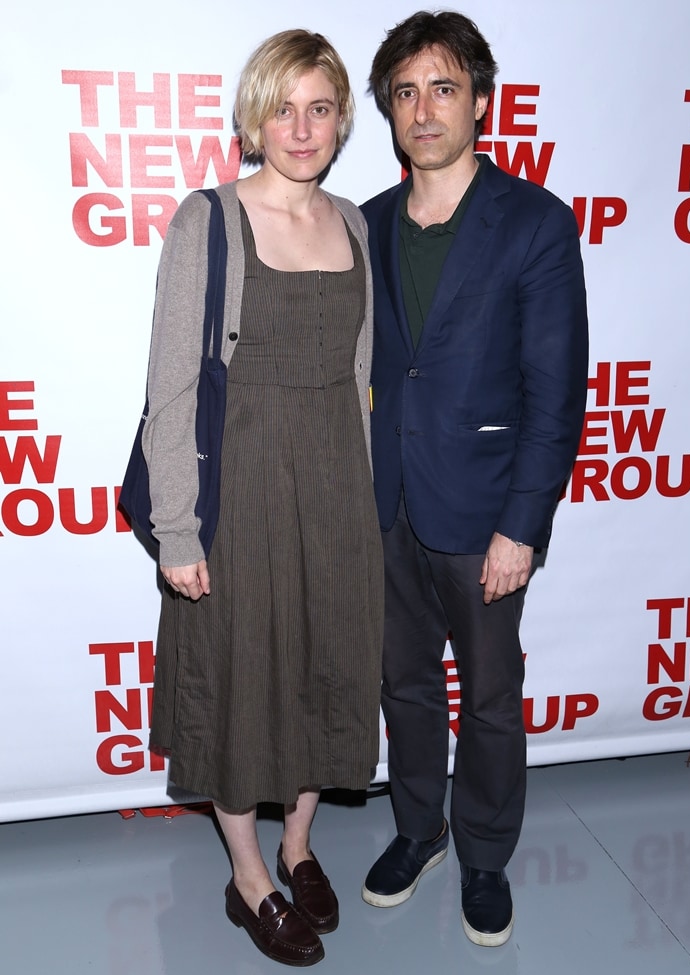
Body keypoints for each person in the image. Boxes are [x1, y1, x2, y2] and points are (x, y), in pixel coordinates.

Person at [141, 29, 383, 967]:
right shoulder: (208, 220)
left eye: (321, 107)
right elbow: (168, 388)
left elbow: (359, 373)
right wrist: (176, 528)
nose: (302, 126)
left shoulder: (356, 223)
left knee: (329, 662)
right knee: (242, 675)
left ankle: (298, 844)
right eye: (284, 106)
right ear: (255, 114)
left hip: (333, 481)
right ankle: (249, 878)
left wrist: (358, 495)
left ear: (340, 120)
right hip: (236, 487)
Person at [360, 10, 588, 947]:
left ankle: (485, 851)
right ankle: (420, 830)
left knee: (489, 692)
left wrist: (521, 525)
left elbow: (555, 389)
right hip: (384, 507)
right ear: (389, 110)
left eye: (443, 88)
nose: (424, 108)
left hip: (485, 510)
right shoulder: (363, 222)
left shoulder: (534, 222)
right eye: (406, 91)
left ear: (481, 103)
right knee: (404, 684)